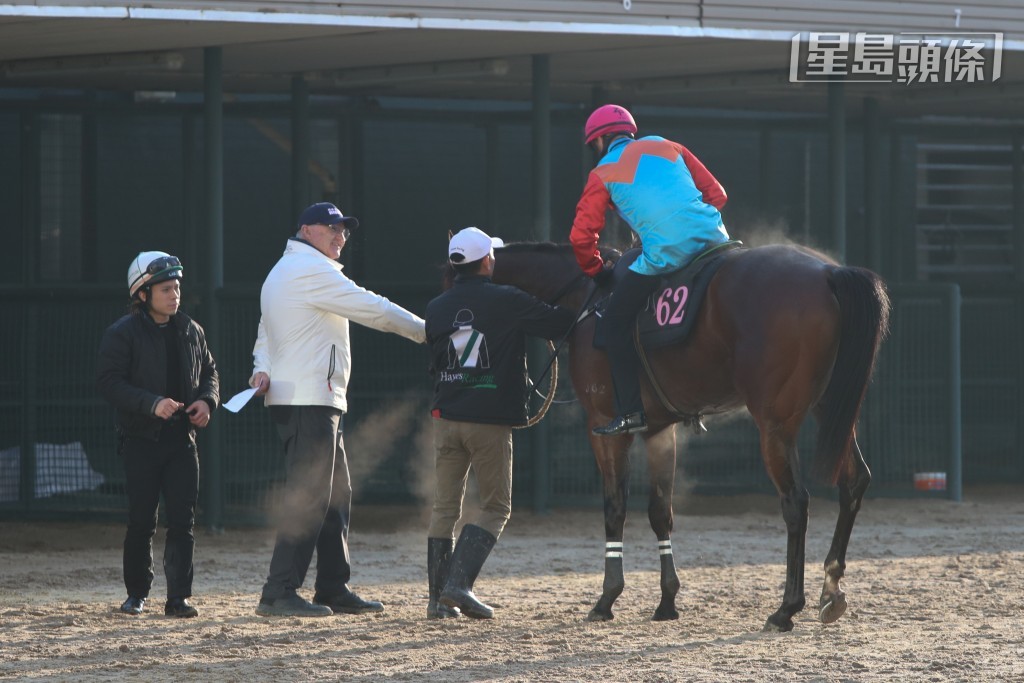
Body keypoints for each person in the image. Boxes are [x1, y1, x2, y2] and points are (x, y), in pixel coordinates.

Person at [249, 201, 426, 618]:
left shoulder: (286, 269)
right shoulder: (309, 270)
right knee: (311, 497)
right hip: (309, 400)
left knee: (335, 496)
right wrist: (427, 331)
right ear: (307, 230)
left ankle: (332, 585)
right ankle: (278, 592)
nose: (341, 235)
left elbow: (264, 330)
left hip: (313, 398)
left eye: (344, 229)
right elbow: (372, 307)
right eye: (332, 228)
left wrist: (262, 367)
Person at [425, 227, 575, 619]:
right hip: (488, 422)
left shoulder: (437, 307)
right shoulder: (509, 300)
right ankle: (459, 585)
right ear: (488, 261)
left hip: (445, 417)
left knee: (444, 508)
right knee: (496, 507)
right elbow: (560, 324)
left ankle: (436, 602)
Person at [569, 104, 729, 436]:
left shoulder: (602, 172)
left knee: (613, 324)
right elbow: (717, 195)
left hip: (667, 252)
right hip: (717, 239)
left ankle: (631, 412)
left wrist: (596, 271)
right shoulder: (669, 145)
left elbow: (582, 238)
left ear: (601, 141)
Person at [97, 251, 220, 618]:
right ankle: (136, 594)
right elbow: (108, 383)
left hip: (183, 443)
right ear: (142, 294)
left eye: (177, 287)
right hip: (141, 443)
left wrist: (207, 402)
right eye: (166, 289)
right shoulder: (122, 333)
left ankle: (178, 598)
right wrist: (152, 404)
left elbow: (210, 372)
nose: (174, 295)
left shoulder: (191, 329)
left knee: (183, 522)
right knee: (141, 521)